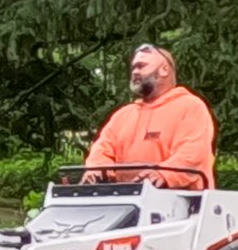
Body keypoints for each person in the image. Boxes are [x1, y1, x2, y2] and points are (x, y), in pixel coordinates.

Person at [83, 42, 216, 190]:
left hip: (182, 205)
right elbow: (102, 148)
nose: (134, 72)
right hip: (126, 204)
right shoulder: (123, 115)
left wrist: (163, 175)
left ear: (164, 69)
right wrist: (97, 169)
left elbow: (192, 153)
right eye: (133, 67)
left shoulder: (190, 106)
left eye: (141, 66)